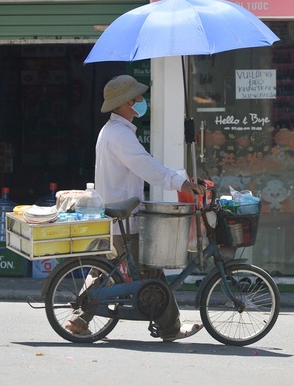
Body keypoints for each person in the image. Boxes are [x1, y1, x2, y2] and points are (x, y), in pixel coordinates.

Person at [65, 74, 206, 342]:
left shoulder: (114, 131)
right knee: (151, 271)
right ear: (126, 102)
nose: (142, 101)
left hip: (117, 212)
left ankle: (78, 320)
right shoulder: (120, 135)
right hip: (124, 216)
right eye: (138, 98)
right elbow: (147, 167)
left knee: (106, 270)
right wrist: (182, 182)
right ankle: (170, 327)